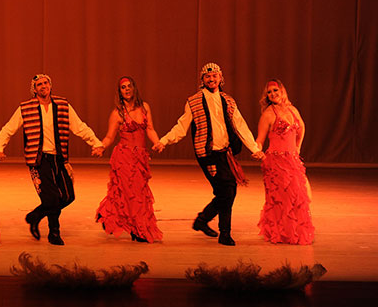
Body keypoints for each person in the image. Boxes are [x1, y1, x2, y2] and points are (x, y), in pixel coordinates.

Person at [154, 62, 264, 246]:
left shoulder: (228, 100)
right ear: (202, 79)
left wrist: (254, 148)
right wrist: (164, 141)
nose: (211, 79)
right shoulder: (194, 101)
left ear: (221, 78)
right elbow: (181, 126)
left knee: (226, 192)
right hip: (208, 154)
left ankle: (203, 220)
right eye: (207, 76)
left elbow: (240, 125)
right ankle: (224, 233)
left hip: (225, 153)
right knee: (227, 190)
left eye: (215, 76)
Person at [0, 74, 103, 245]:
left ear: (51, 85)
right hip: (38, 159)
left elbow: (79, 126)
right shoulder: (26, 108)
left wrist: (96, 143)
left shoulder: (63, 105)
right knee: (51, 198)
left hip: (59, 158)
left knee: (67, 196)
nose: (43, 86)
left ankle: (35, 215)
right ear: (34, 89)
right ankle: (54, 233)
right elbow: (8, 128)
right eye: (39, 84)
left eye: (46, 83)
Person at [94, 76, 163, 243]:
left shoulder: (144, 107)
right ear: (120, 92)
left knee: (138, 193)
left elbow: (150, 129)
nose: (127, 89)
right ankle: (137, 229)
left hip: (140, 158)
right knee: (131, 194)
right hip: (124, 157)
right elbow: (110, 137)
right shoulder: (117, 114)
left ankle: (108, 214)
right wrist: (101, 147)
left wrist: (158, 142)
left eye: (129, 86)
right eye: (123, 87)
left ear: (134, 88)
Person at [254, 79, 314, 244]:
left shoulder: (292, 109)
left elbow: (301, 127)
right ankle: (281, 233)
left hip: (293, 160)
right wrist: (257, 150)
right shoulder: (268, 114)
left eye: (275, 90)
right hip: (276, 162)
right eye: (269, 92)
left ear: (282, 91)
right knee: (282, 199)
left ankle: (294, 231)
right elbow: (259, 139)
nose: (272, 94)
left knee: (300, 196)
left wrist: (298, 148)